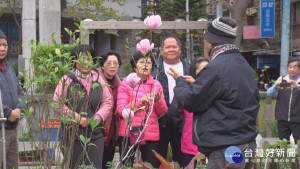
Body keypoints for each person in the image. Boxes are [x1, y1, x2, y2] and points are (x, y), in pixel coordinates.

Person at [167, 17, 259, 169]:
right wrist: (198, 84)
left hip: (226, 146)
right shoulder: (243, 64)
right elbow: (228, 95)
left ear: (210, 41)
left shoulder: (216, 67)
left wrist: (180, 81)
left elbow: (190, 101)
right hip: (245, 143)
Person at [53, 45, 112, 169]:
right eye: (82, 59)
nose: (86, 62)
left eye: (89, 59)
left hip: (94, 134)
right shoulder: (67, 79)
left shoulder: (98, 79)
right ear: (74, 61)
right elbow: (57, 104)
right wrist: (77, 118)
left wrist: (99, 116)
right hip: (72, 135)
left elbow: (107, 101)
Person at [117, 52, 168, 168]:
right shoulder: (126, 84)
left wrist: (158, 100)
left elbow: (163, 112)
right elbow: (121, 109)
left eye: (149, 63)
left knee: (150, 165)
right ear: (135, 66)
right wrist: (141, 100)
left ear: (152, 67)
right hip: (128, 132)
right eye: (141, 62)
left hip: (150, 133)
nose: (145, 65)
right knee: (127, 165)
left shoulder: (156, 84)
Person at [151, 35, 189, 167]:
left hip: (182, 120)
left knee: (183, 158)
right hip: (159, 119)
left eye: (174, 46)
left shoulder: (188, 68)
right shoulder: (154, 69)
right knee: (157, 158)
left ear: (180, 49)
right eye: (167, 47)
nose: (171, 49)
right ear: (162, 50)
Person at [169, 57, 209, 166]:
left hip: (211, 143)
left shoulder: (213, 89)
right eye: (201, 70)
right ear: (193, 72)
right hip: (190, 143)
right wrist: (184, 127)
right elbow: (174, 113)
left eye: (208, 69)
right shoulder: (185, 90)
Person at [0, 29, 26, 169]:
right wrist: (8, 113)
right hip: (1, 126)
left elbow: (20, 92)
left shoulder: (9, 68)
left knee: (12, 166)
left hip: (12, 128)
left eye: (5, 45)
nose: (2, 48)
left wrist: (20, 109)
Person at [267, 57, 300, 144]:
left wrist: (298, 87)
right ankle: (284, 158)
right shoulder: (282, 79)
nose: (292, 69)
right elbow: (269, 93)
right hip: (282, 118)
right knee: (283, 144)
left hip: (297, 119)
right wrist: (275, 87)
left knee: (299, 144)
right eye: (290, 67)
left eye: (295, 67)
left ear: (299, 69)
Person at [98, 51, 122, 169]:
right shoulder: (96, 81)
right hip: (98, 128)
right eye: (109, 63)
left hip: (112, 131)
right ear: (102, 65)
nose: (112, 66)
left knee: (108, 162)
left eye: (115, 63)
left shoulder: (120, 83)